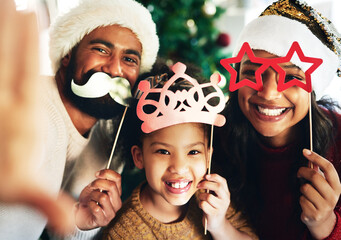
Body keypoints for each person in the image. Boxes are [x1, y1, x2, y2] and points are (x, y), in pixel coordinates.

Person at [0, 0, 159, 239]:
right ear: (67, 54)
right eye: (101, 50)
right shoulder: (26, 109)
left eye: (129, 59)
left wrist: (81, 222)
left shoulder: (111, 133)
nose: (115, 70)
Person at [215, 0, 341, 239]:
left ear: (314, 87)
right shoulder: (211, 139)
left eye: (292, 77)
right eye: (252, 72)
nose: (269, 93)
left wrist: (328, 225)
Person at [100, 62, 258, 240]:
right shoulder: (123, 233)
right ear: (139, 156)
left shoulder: (210, 198)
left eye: (193, 152)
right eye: (163, 152)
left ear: (208, 156)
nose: (179, 167)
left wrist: (219, 225)